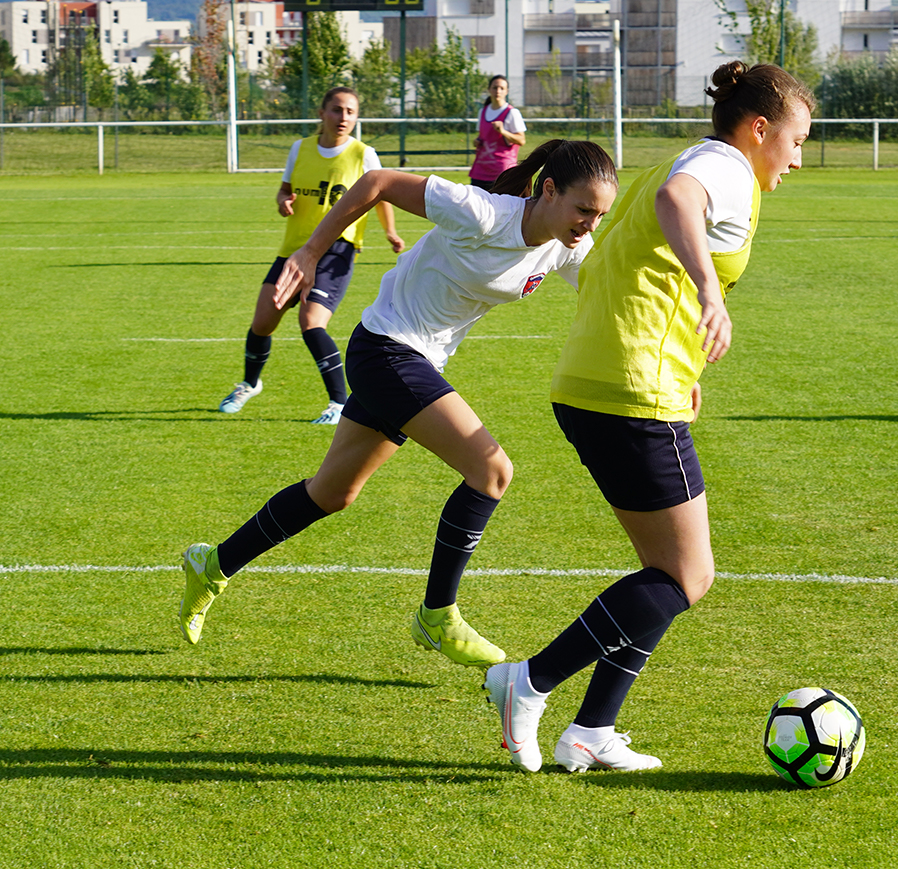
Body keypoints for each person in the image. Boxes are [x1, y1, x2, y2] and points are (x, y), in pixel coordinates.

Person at [482, 61, 814, 773]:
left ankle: (591, 731)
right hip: (630, 390)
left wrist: (685, 365)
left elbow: (619, 265)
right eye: (794, 140)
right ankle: (529, 681)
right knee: (688, 575)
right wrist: (708, 293)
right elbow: (676, 202)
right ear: (760, 129)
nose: (796, 157)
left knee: (662, 573)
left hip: (606, 380)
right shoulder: (721, 168)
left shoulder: (696, 157)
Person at [181, 141, 620, 667]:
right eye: (583, 210)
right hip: (387, 348)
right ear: (549, 189)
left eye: (600, 215)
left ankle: (213, 564)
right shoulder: (481, 211)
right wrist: (310, 251)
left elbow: (611, 296)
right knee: (491, 470)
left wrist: (673, 362)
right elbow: (378, 182)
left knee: (332, 493)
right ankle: (437, 616)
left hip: (415, 362)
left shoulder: (565, 245)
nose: (590, 224)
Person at [219, 86, 406, 425]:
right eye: (337, 110)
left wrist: (390, 232)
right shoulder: (300, 149)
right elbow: (285, 189)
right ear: (322, 113)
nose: (344, 117)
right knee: (263, 322)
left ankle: (339, 402)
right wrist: (282, 201)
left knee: (311, 322)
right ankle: (249, 383)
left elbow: (383, 195)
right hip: (294, 249)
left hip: (338, 249)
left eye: (350, 111)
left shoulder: (364, 154)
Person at [469, 75, 527, 191]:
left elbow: (521, 140)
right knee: (476, 207)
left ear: (507, 91)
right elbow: (483, 136)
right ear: (489, 90)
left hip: (502, 171)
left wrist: (503, 132)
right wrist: (477, 141)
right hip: (480, 169)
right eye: (495, 87)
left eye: (501, 88)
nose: (498, 91)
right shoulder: (483, 111)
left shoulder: (512, 113)